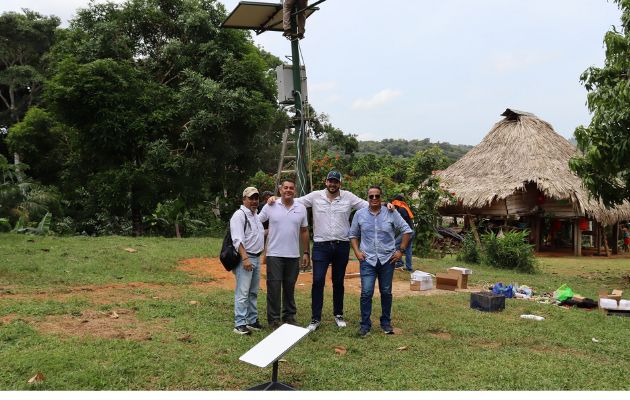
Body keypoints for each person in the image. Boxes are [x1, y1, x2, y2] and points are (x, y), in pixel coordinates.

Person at [349, 185, 412, 337]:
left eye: (377, 196)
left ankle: (386, 322)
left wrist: (400, 251)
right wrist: (357, 252)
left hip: (387, 260)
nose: (374, 199)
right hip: (367, 259)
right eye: (371, 196)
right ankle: (365, 325)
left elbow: (407, 230)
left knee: (386, 291)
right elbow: (353, 235)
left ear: (381, 197)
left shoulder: (391, 212)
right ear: (367, 198)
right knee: (366, 292)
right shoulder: (359, 214)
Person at [258, 179, 310, 329]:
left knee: (289, 287)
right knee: (274, 287)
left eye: (291, 188)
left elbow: (304, 230)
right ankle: (274, 319)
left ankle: (289, 316)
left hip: (293, 255)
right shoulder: (271, 205)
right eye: (285, 188)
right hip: (274, 254)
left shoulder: (301, 208)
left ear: (295, 191)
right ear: (280, 190)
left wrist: (306, 252)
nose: (288, 190)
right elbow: (257, 221)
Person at [230, 187, 265, 335]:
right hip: (247, 257)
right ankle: (239, 323)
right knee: (243, 292)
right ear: (244, 199)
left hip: (256, 257)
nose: (254, 201)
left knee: (253, 291)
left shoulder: (255, 215)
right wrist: (245, 258)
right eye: (251, 198)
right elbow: (237, 239)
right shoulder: (239, 215)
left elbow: (257, 234)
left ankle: (251, 320)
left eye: (256, 198)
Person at [391, 194, 415, 272]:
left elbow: (401, 222)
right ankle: (409, 268)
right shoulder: (404, 207)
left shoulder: (401, 209)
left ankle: (399, 263)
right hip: (412, 231)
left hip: (407, 232)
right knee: (408, 250)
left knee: (394, 244)